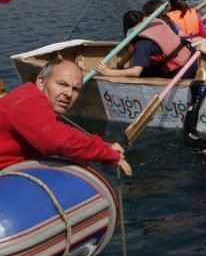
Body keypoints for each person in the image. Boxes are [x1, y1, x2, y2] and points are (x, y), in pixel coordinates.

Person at [0, 58, 132, 175]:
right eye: (62, 84)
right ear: (41, 82)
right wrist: (104, 152)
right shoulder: (27, 101)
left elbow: (62, 133)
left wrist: (104, 146)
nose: (69, 93)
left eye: (76, 89)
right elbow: (58, 140)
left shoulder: (30, 101)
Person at [96, 9, 197, 79]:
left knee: (141, 72)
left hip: (182, 72)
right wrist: (120, 65)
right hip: (192, 61)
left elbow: (136, 72)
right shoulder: (158, 24)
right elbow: (131, 51)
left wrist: (109, 72)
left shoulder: (142, 43)